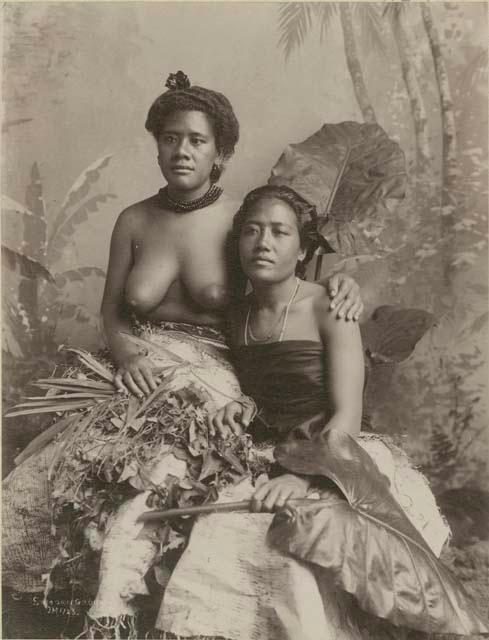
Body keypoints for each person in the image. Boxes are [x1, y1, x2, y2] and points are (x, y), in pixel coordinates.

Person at [2, 73, 363, 633]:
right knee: (69, 478)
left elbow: (288, 275)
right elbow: (113, 314)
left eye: (196, 140)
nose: (181, 151)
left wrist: (346, 283)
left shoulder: (242, 221)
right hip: (139, 367)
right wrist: (128, 358)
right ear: (158, 144)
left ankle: (149, 597)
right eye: (170, 138)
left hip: (215, 372)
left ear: (221, 151)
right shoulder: (134, 220)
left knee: (168, 470)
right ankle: (80, 595)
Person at [152, 185, 485, 640]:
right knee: (222, 532)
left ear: (304, 247)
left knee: (297, 542)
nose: (263, 243)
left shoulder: (330, 306)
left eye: (279, 232)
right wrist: (240, 403)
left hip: (339, 451)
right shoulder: (237, 316)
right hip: (273, 448)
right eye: (251, 231)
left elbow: (347, 413)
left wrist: (306, 479)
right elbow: (152, 313)